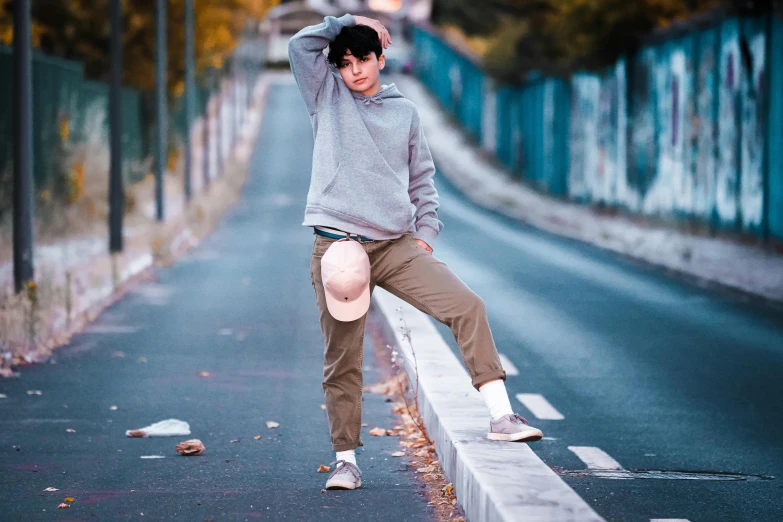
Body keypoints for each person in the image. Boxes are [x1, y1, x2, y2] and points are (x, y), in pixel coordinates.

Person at [288, 13, 543, 491]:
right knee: (342, 357)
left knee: (467, 306)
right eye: (344, 63)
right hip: (339, 249)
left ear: (381, 58)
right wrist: (352, 20)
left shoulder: (404, 112)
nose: (355, 70)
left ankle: (501, 416)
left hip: (396, 245)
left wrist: (425, 233)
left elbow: (423, 179)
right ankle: (346, 461)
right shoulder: (326, 96)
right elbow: (301, 44)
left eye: (363, 59)